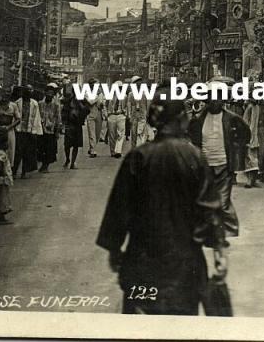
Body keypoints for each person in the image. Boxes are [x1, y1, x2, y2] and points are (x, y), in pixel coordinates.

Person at [96, 89, 228, 315]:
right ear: (180, 120)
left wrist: (114, 249)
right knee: (181, 326)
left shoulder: (138, 157)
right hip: (185, 266)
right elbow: (210, 208)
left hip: (141, 262)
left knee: (139, 329)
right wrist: (218, 251)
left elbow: (119, 209)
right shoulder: (195, 157)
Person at [188, 81, 250, 236]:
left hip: (223, 164)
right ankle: (208, 230)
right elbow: (191, 137)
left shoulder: (232, 118)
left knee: (222, 202)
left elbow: (245, 134)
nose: (215, 101)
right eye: (212, 98)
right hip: (205, 165)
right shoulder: (199, 119)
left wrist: (236, 148)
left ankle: (226, 231)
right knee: (204, 200)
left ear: (223, 100)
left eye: (218, 98)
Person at [13, 85, 43, 179]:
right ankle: (14, 171)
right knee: (17, 152)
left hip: (30, 131)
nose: (29, 91)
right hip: (19, 130)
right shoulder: (17, 103)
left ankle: (24, 172)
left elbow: (37, 118)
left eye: (30, 89)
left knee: (28, 152)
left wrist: (35, 131)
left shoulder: (34, 103)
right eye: (27, 90)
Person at [0, 85, 21, 166]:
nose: (5, 95)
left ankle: (8, 172)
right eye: (3, 93)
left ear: (10, 94)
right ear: (0, 94)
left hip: (9, 131)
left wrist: (9, 127)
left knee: (10, 152)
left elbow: (18, 119)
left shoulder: (13, 105)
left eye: (8, 93)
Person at [61, 84, 89, 169]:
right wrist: (64, 123)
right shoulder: (68, 100)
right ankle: (67, 159)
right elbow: (64, 111)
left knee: (76, 145)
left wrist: (80, 103)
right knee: (67, 145)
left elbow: (87, 110)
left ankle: (73, 162)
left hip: (78, 125)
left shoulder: (82, 100)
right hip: (69, 124)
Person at [38, 83, 61, 172]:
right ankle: (43, 165)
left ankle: (46, 165)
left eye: (51, 93)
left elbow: (58, 118)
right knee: (41, 148)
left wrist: (57, 130)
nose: (49, 95)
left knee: (49, 149)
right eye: (48, 93)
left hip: (51, 129)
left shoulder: (56, 105)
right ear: (45, 93)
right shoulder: (40, 104)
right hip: (41, 129)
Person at [127, 76, 152, 148]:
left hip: (142, 115)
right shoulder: (131, 94)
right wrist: (129, 115)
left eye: (139, 81)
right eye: (136, 82)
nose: (138, 83)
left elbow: (148, 103)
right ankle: (134, 150)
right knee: (133, 134)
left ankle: (139, 150)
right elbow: (129, 104)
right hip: (134, 115)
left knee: (139, 133)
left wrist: (147, 114)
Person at [86, 78, 106, 158]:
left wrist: (103, 105)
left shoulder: (100, 93)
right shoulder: (87, 92)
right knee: (92, 133)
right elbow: (90, 102)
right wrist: (97, 96)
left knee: (97, 134)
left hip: (99, 113)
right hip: (90, 114)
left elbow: (103, 102)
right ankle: (92, 150)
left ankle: (92, 147)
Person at [107, 81, 127, 158]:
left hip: (120, 115)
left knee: (121, 134)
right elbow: (105, 105)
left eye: (120, 88)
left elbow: (126, 106)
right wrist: (107, 114)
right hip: (111, 116)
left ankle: (118, 151)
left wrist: (124, 112)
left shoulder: (124, 96)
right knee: (112, 135)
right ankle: (112, 151)